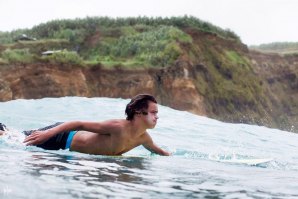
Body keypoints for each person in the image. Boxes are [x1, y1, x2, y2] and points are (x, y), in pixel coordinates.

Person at [0, 94, 170, 156]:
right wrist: (48, 133)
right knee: (14, 139)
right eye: (154, 112)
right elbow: (78, 123)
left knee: (13, 136)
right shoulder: (118, 127)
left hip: (64, 148)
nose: (157, 117)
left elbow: (161, 152)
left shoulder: (143, 138)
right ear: (139, 113)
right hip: (61, 137)